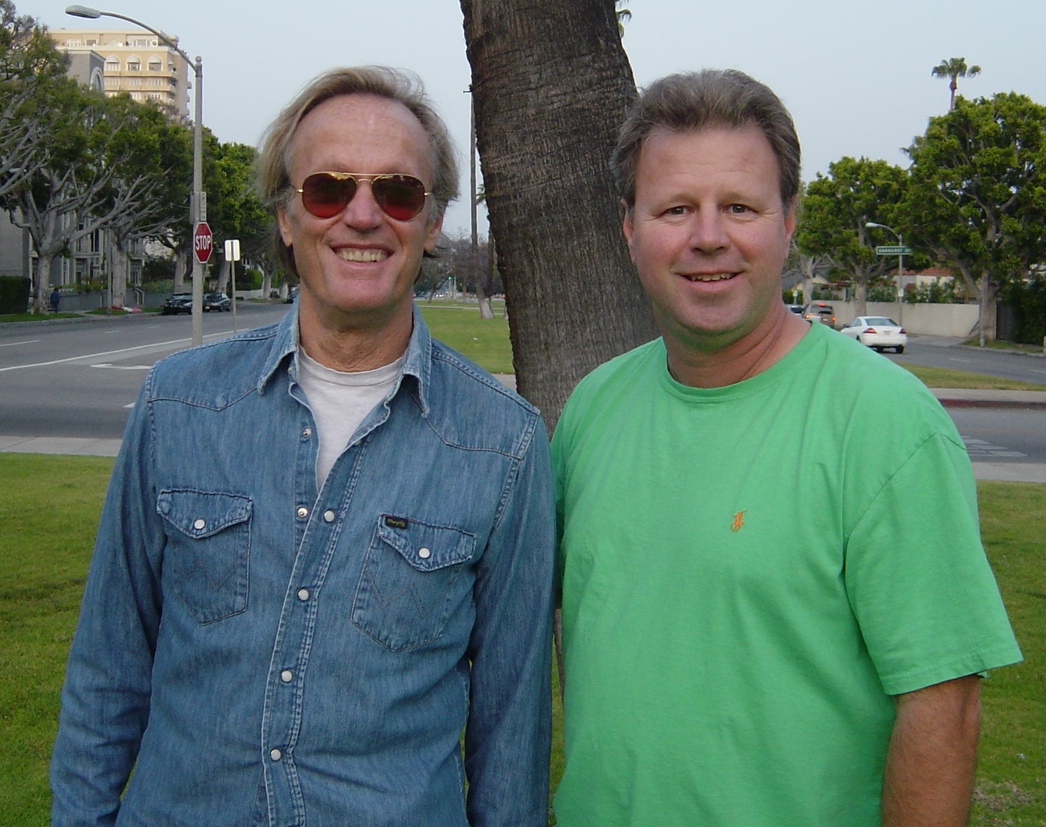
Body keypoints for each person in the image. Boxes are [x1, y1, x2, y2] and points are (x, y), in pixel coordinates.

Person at [50, 66, 555, 827]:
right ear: (287, 217)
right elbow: (107, 671)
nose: (362, 215)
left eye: (397, 191)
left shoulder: (504, 443)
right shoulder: (175, 403)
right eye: (328, 188)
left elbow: (511, 728)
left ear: (431, 219)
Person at [551, 69, 1022, 827]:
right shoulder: (593, 407)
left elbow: (944, 708)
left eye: (740, 205)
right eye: (676, 208)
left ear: (788, 220)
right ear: (630, 227)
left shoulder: (886, 423)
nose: (709, 235)